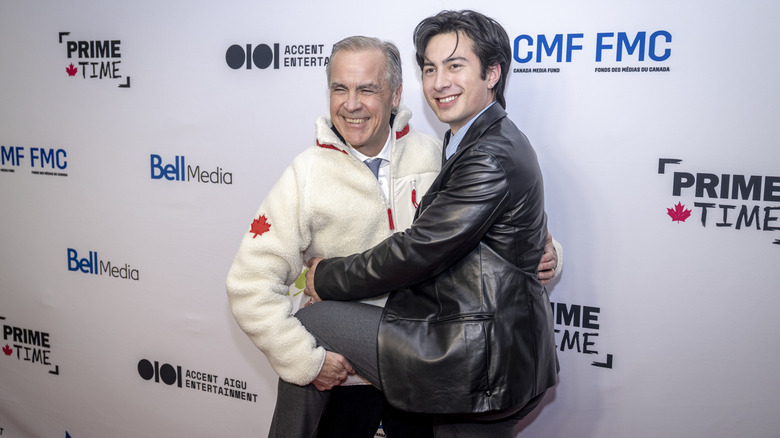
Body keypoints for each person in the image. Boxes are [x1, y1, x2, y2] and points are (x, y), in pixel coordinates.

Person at [227, 34, 561, 438]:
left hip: (426, 373)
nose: (351, 104)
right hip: (343, 382)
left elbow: (495, 221)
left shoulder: (439, 155)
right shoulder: (306, 174)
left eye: (367, 89)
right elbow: (250, 283)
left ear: (396, 94)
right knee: (316, 325)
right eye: (339, 89)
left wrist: (547, 253)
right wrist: (306, 361)